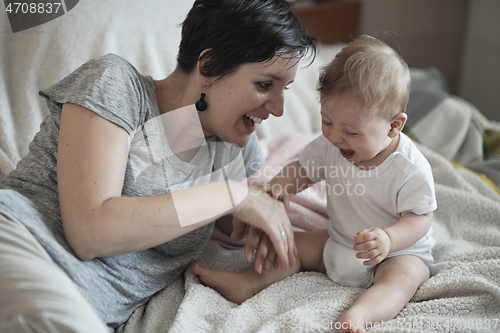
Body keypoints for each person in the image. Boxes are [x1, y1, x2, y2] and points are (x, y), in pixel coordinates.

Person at [0, 0, 317, 331]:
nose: (279, 109)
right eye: (265, 85)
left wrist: (255, 216)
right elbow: (91, 231)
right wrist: (234, 196)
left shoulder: (236, 149)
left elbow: (221, 224)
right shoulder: (117, 84)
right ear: (208, 67)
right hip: (22, 244)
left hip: (90, 310)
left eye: (285, 89)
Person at [195, 35, 437, 333]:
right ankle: (247, 282)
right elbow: (303, 170)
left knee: (400, 281)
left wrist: (388, 239)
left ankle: (359, 315)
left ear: (393, 126)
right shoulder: (330, 145)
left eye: (351, 131)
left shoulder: (409, 168)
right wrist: (279, 187)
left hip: (396, 253)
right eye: (327, 121)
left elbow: (421, 217)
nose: (335, 137)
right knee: (287, 246)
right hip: (337, 238)